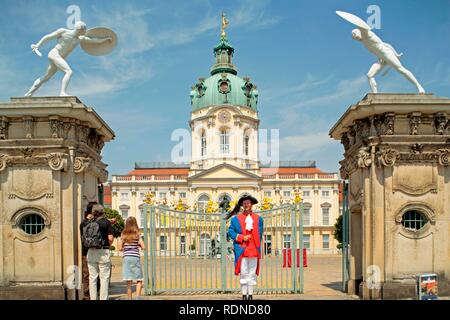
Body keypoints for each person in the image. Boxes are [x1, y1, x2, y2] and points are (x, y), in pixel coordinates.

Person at [25, 21, 112, 97]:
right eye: (83, 31)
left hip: (58, 58)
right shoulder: (63, 31)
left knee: (46, 77)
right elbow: (48, 37)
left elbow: (93, 40)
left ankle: (28, 94)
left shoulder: (79, 39)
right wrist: (37, 45)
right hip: (54, 54)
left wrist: (105, 39)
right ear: (80, 29)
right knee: (68, 72)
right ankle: (62, 93)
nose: (84, 32)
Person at [227, 194, 263, 300]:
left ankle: (250, 294)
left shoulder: (259, 219)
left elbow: (260, 234)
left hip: (254, 250)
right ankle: (244, 294)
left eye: (248, 203)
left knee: (252, 272)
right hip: (242, 249)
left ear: (251, 204)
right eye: (245, 203)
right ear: (242, 205)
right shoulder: (235, 219)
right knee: (243, 272)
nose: (247, 205)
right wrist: (242, 237)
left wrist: (257, 246)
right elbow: (230, 232)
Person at [86, 204, 114, 300]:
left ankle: (93, 298)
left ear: (93, 212)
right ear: (103, 212)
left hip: (91, 251)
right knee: (104, 278)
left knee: (92, 278)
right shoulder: (106, 223)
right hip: (103, 251)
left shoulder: (86, 222)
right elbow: (110, 239)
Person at [117, 217, 145, 300]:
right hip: (135, 258)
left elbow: (119, 248)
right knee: (139, 279)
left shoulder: (123, 235)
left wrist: (125, 248)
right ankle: (138, 298)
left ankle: (129, 298)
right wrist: (138, 245)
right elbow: (143, 247)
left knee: (129, 280)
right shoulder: (137, 235)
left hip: (127, 258)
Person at [79, 201, 97, 300]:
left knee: (88, 275)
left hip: (86, 252)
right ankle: (87, 296)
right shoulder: (87, 223)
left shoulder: (84, 222)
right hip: (88, 252)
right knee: (88, 275)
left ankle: (89, 296)